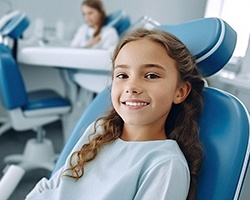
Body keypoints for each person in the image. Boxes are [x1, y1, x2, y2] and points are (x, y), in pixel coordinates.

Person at [25, 28, 204, 200]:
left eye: (151, 76)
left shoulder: (165, 165)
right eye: (122, 75)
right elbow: (54, 186)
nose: (132, 87)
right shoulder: (99, 132)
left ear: (180, 91)